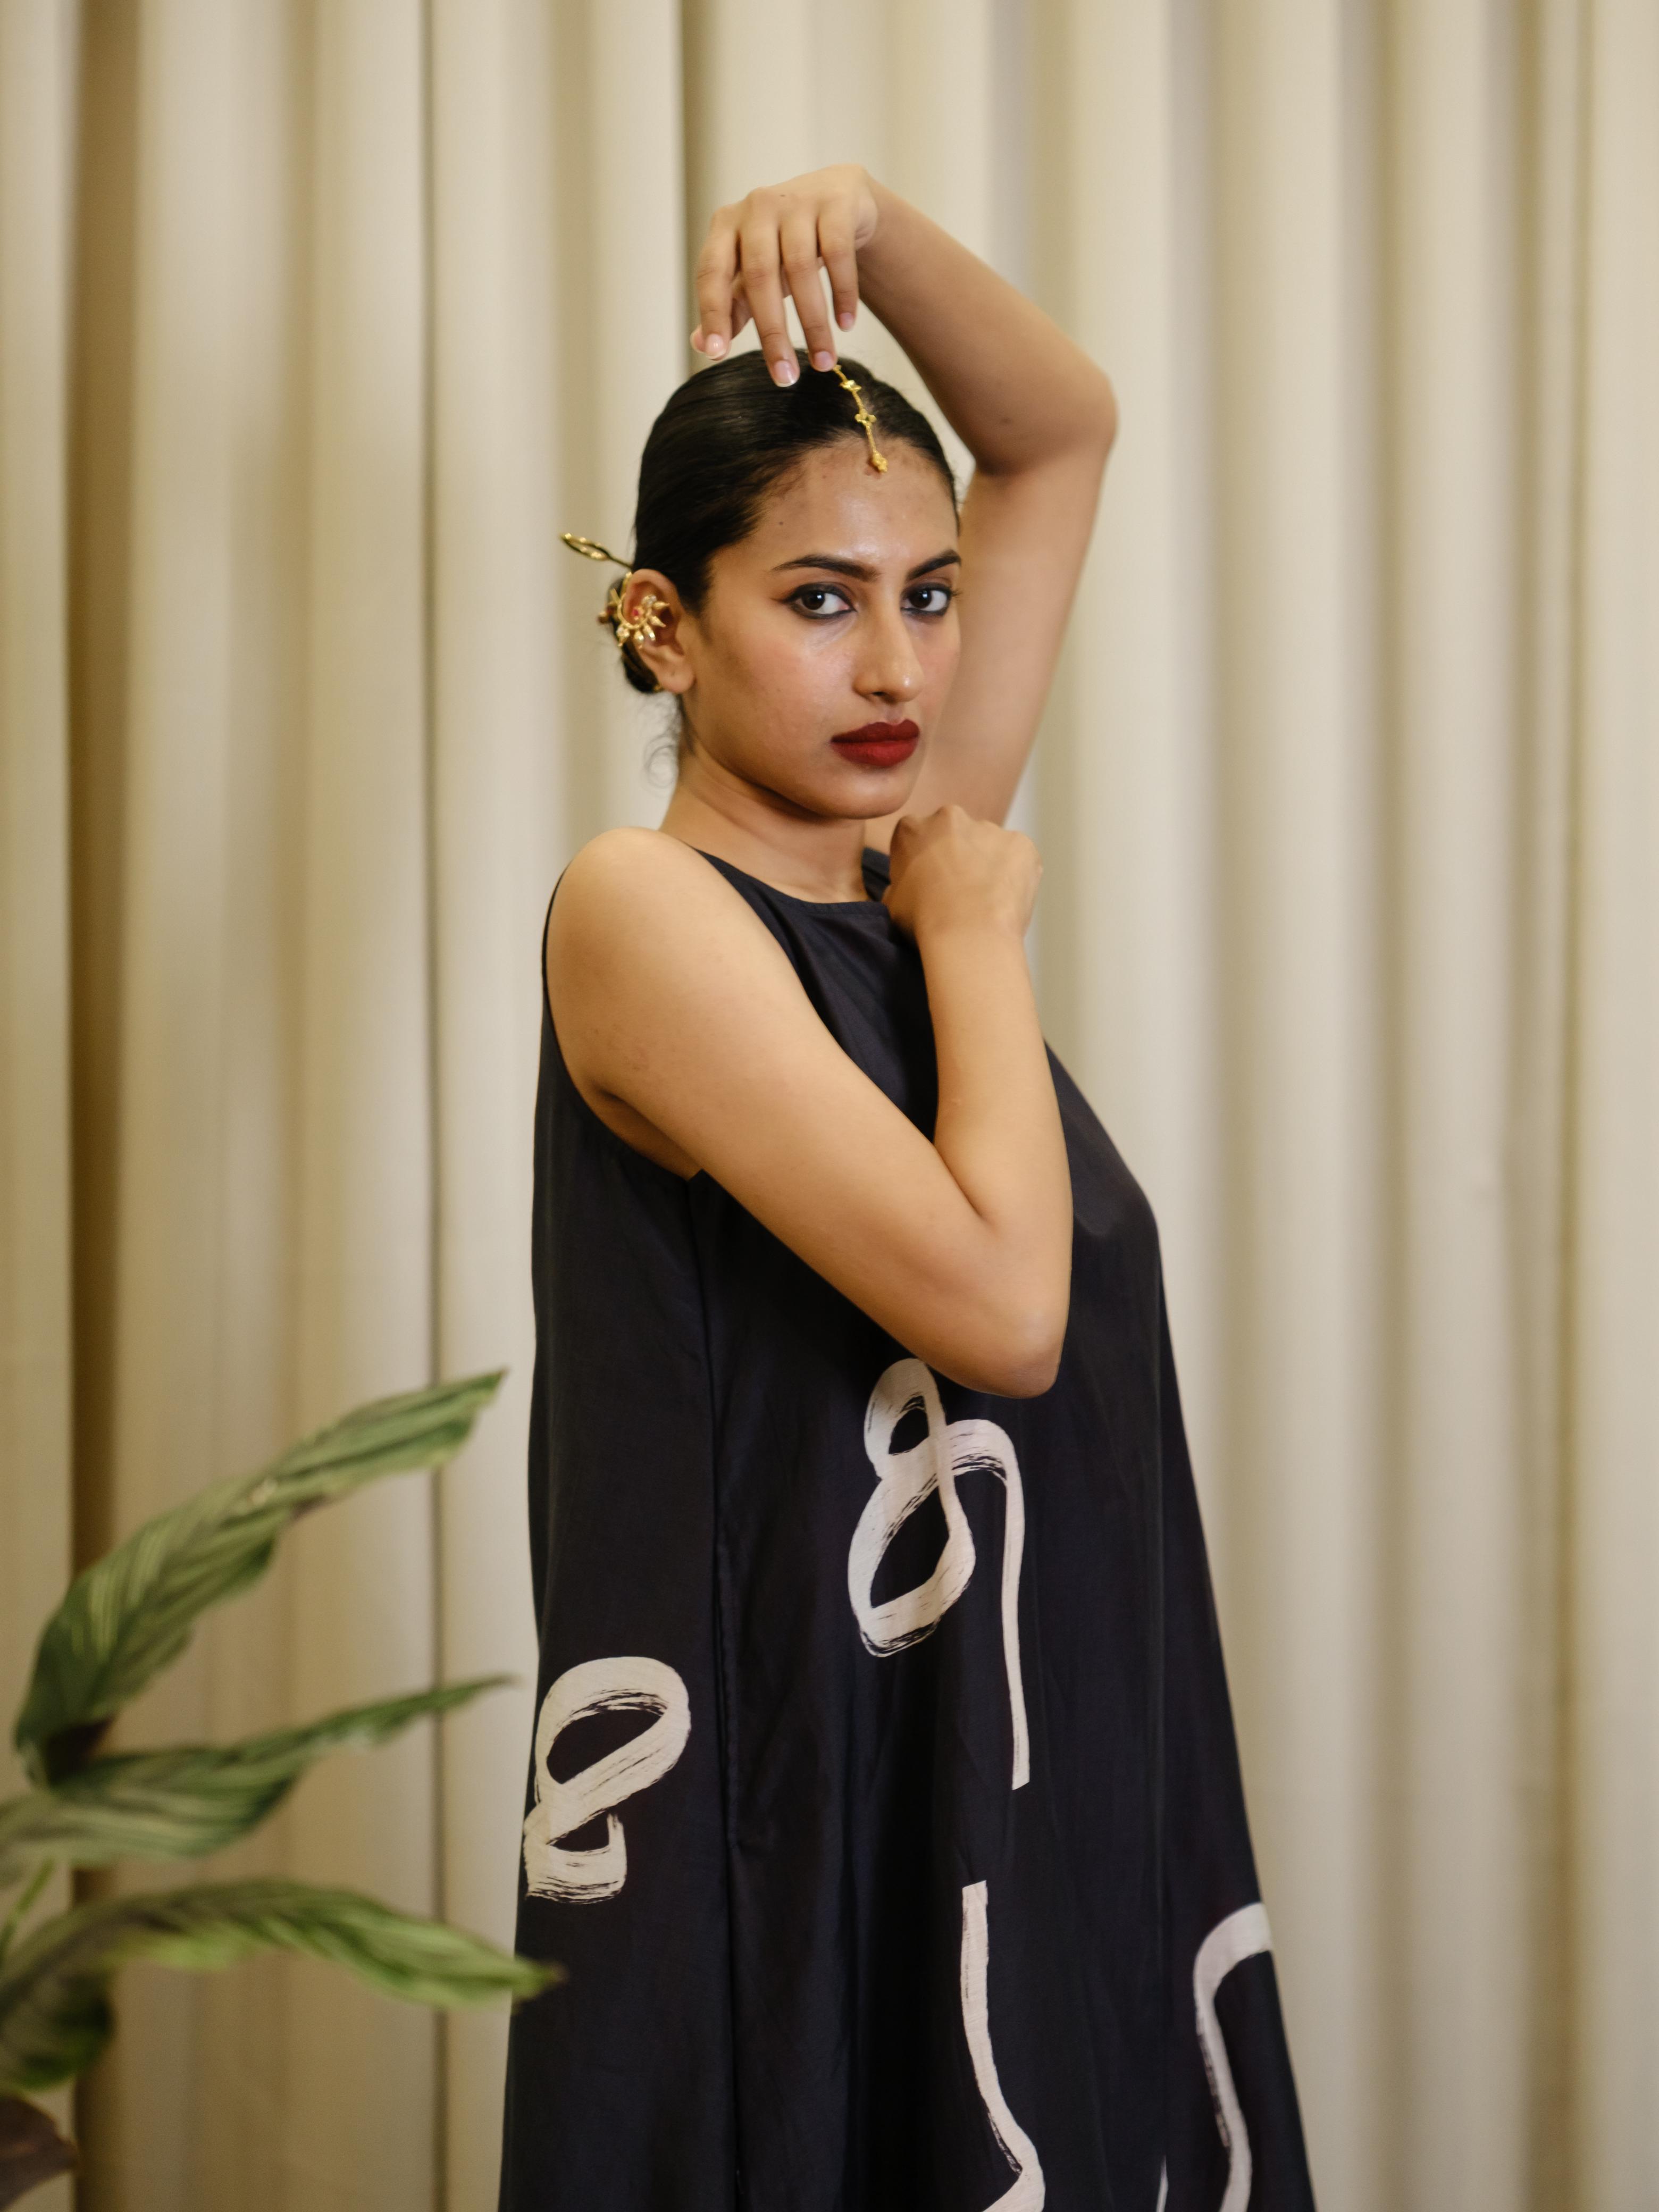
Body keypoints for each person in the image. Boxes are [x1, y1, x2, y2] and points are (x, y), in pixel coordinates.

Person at [499, 165, 1316, 2211]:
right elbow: (1005, 1312)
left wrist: (866, 228)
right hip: (799, 1806)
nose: (896, 670)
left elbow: (1060, 428)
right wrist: (972, 938)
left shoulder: (899, 852)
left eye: (930, 596)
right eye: (818, 600)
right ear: (661, 625)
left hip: (1024, 1755)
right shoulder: (650, 913)